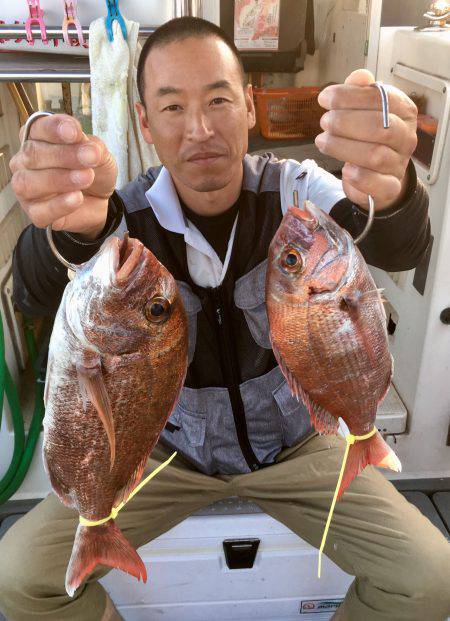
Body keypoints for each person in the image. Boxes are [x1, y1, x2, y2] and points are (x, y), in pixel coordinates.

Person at [0, 16, 449, 621]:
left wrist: (392, 190)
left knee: (431, 580)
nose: (200, 128)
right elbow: (34, 287)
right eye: (173, 106)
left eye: (218, 99)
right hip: (161, 455)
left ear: (251, 105)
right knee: (20, 578)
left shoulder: (296, 191)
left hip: (297, 449)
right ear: (143, 123)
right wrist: (66, 230)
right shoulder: (116, 220)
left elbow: (396, 243)